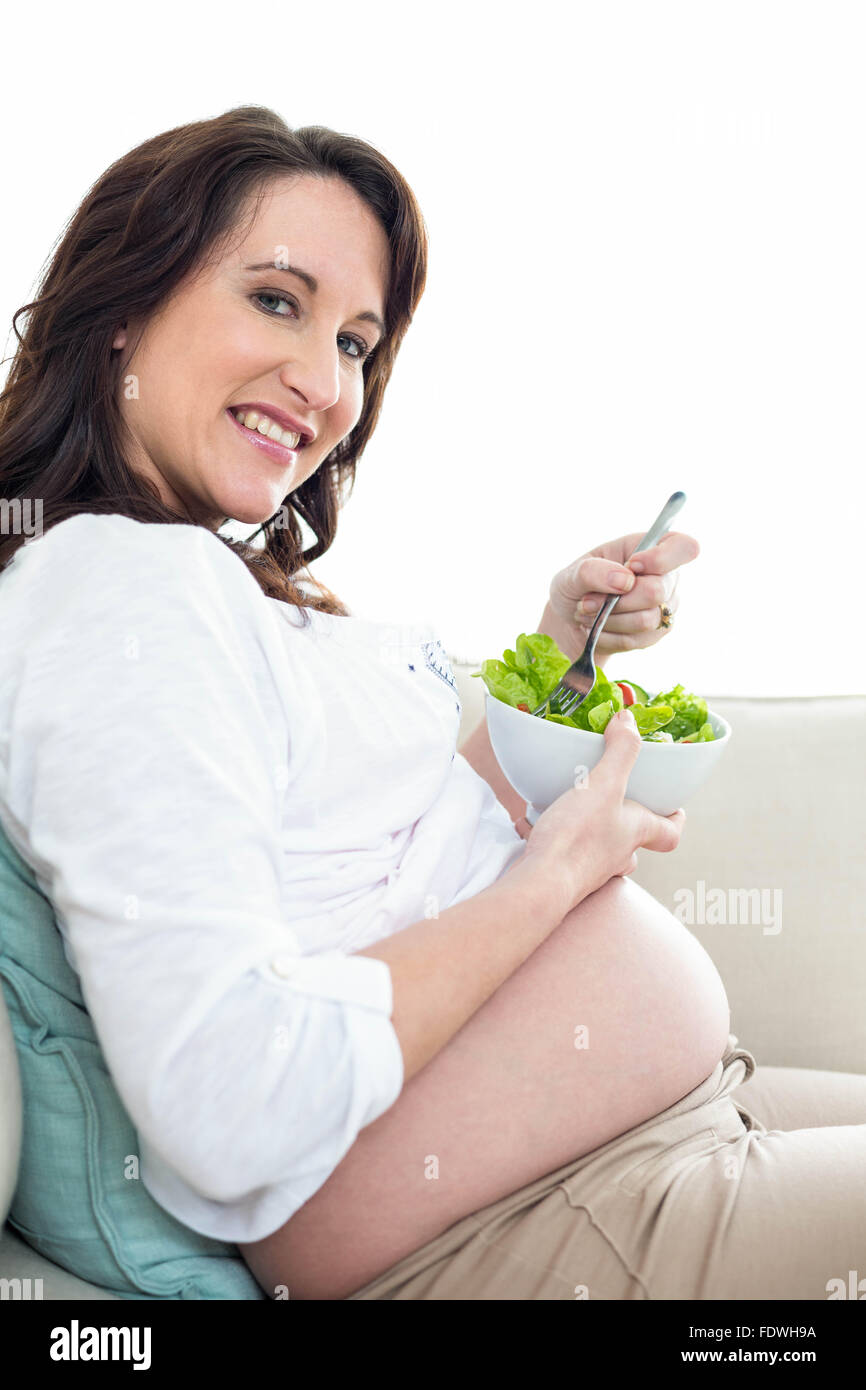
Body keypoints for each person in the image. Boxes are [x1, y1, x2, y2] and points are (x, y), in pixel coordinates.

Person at [1, 105, 864, 1304]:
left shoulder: (187, 579)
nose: (323, 382)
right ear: (122, 312)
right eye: (275, 299)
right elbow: (230, 1098)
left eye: (355, 341)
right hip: (528, 1218)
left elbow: (379, 867)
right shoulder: (121, 590)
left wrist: (561, 648)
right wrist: (554, 876)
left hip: (648, 1130)